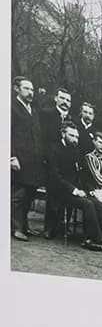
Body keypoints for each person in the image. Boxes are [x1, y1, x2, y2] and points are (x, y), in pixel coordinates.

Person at [11, 77, 45, 239]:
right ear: (16, 89)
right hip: (19, 159)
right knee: (18, 195)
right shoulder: (12, 108)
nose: (30, 92)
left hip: (34, 161)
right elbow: (7, 135)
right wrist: (12, 157)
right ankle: (16, 228)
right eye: (26, 89)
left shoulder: (34, 111)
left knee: (29, 195)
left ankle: (24, 225)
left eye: (32, 89)